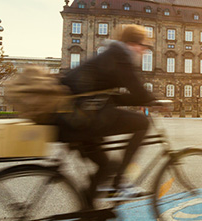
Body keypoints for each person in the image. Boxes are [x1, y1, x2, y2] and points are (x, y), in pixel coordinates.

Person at [57, 24, 155, 206]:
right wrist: (153, 99)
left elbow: (113, 98)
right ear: (132, 43)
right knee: (142, 123)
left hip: (71, 117)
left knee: (106, 167)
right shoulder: (121, 56)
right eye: (143, 45)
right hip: (80, 117)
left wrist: (141, 99)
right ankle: (119, 184)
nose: (144, 50)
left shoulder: (112, 54)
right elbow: (138, 92)